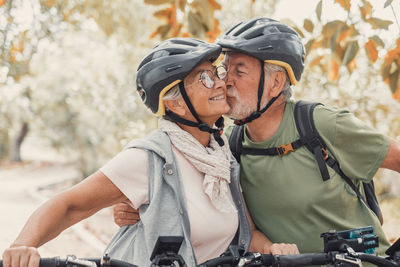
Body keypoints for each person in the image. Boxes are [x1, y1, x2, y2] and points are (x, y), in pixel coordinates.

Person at [113, 18, 400, 255]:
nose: (226, 80)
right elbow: (197, 202)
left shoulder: (321, 124)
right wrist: (141, 209)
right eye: (226, 69)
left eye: (240, 71)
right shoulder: (230, 147)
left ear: (275, 81)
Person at [1, 37, 297, 267]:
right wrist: (22, 246)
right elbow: (69, 205)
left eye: (215, 72)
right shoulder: (150, 158)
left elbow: (246, 234)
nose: (221, 81)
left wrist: (275, 251)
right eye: (204, 78)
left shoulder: (220, 156)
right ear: (176, 103)